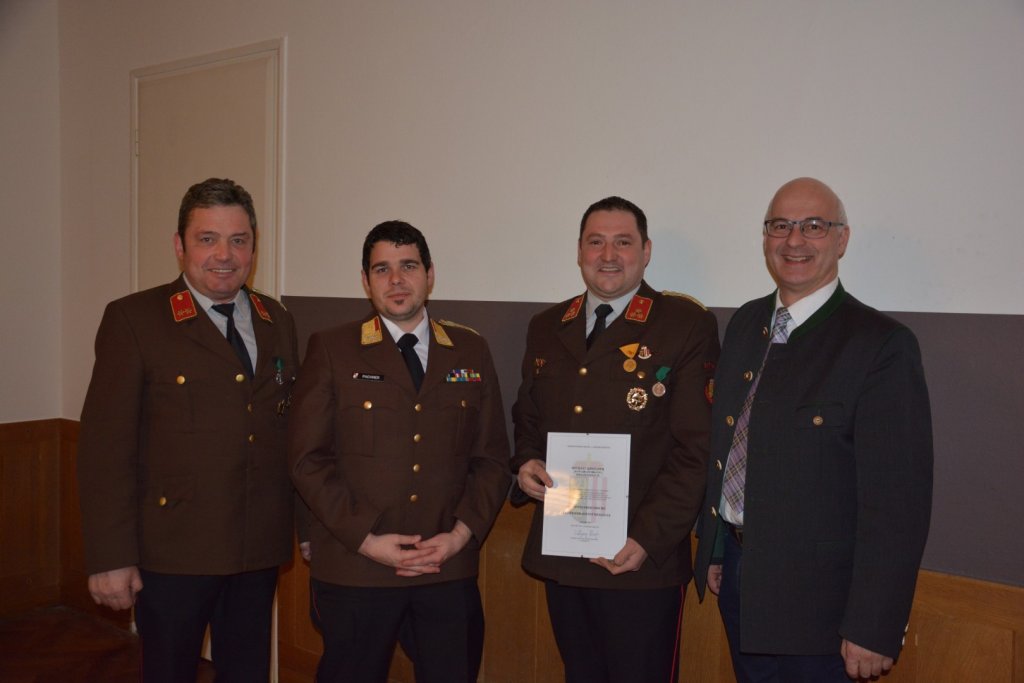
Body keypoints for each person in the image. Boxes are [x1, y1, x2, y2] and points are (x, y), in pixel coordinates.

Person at [693, 177, 934, 682]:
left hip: (824, 608)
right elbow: (730, 444)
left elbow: (897, 502)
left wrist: (874, 623)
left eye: (814, 226)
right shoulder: (747, 323)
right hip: (739, 576)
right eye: (780, 226)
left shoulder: (880, 344)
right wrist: (716, 547)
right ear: (766, 238)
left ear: (842, 239)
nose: (794, 240)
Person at [77, 178, 300, 682]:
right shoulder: (135, 319)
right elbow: (104, 450)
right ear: (180, 245)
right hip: (172, 552)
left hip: (256, 548)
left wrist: (306, 533)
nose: (224, 255)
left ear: (254, 247)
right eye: (207, 239)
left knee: (247, 673)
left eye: (239, 240)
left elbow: (290, 434)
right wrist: (110, 557)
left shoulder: (276, 320)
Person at [288, 220, 511, 683]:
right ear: (365, 281)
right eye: (382, 269)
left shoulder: (470, 350)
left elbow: (490, 460)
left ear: (430, 274)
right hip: (357, 567)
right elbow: (308, 459)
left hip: (444, 566)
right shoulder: (332, 349)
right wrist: (366, 540)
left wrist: (459, 537)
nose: (396, 280)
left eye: (408, 266)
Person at [511, 196, 720, 683]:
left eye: (622, 242)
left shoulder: (684, 325)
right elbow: (529, 417)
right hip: (565, 553)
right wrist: (526, 463)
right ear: (579, 251)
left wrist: (647, 538)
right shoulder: (547, 327)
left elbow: (696, 449)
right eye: (596, 242)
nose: (608, 255)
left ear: (645, 252)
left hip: (641, 560)